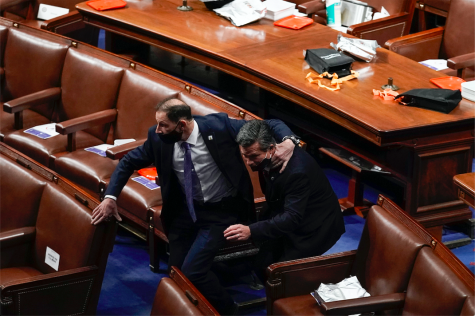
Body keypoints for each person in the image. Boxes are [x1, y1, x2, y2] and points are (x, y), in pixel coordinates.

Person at [91, 97, 297, 315]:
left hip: (221, 212)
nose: (158, 130)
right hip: (184, 213)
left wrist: (290, 141)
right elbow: (128, 162)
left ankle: (228, 310)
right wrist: (110, 198)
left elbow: (271, 124)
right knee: (177, 272)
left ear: (182, 125)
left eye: (164, 125)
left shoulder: (219, 127)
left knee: (193, 272)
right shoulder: (158, 138)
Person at [224, 120, 345, 280]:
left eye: (254, 157)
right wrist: (290, 140)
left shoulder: (297, 172)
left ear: (272, 149)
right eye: (245, 156)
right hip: (285, 212)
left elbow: (291, 218)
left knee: (279, 276)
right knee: (261, 266)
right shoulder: (260, 135)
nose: (248, 162)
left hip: (312, 228)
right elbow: (272, 122)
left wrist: (250, 230)